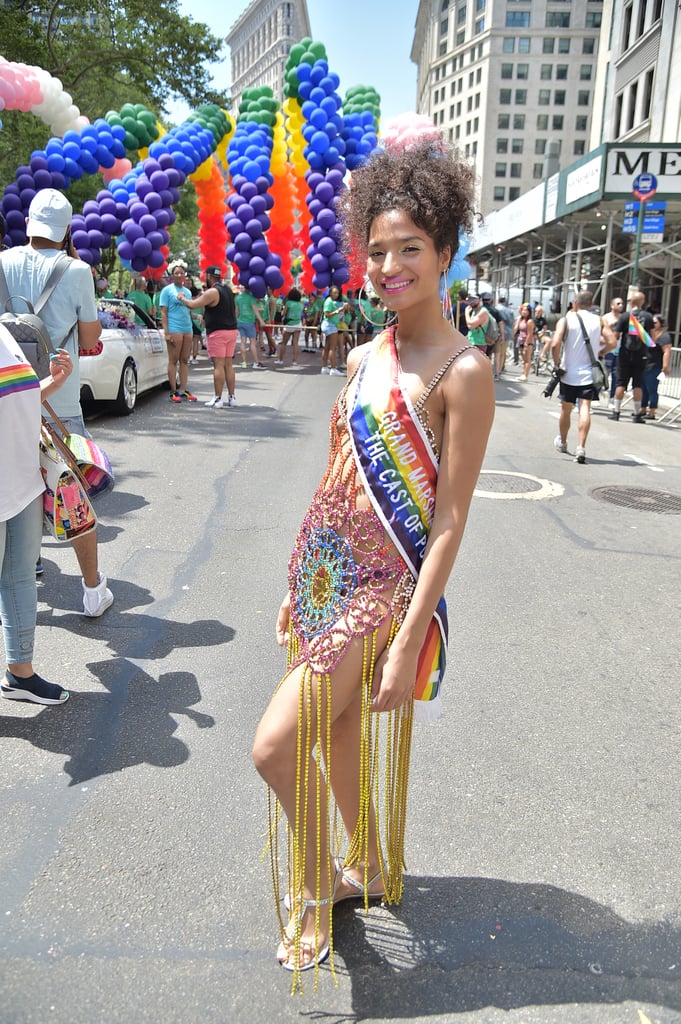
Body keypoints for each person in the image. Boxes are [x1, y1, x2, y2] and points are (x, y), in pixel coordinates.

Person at [252, 139, 494, 984]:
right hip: (330, 583)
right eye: (379, 250)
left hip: (386, 594)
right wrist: (299, 583)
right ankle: (372, 866)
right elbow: (335, 478)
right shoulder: (362, 357)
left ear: (446, 252)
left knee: (275, 746)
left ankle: (316, 888)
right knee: (343, 737)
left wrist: (407, 637)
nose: (390, 266)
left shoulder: (464, 372)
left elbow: (451, 520)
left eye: (410, 250)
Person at [0, 188, 113, 617]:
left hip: (9, 396)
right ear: (66, 228)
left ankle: (26, 565)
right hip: (58, 398)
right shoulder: (78, 270)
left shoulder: (2, 261)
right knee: (71, 493)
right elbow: (89, 339)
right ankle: (91, 590)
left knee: (10, 489)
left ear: (28, 223)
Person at [0, 323, 74, 704]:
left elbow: (17, 400)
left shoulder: (5, 333)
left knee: (20, 580)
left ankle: (20, 673)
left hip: (23, 481)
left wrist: (52, 383)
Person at [550, 290, 614, 464]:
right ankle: (581, 447)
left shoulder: (567, 320)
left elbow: (555, 343)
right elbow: (613, 342)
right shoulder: (599, 320)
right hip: (589, 373)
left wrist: (557, 364)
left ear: (575, 303)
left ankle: (563, 442)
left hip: (568, 372)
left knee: (566, 409)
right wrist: (600, 353)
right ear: (591, 304)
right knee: (584, 407)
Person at [177, 266, 238, 409]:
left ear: (209, 277)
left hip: (218, 332)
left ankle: (217, 399)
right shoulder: (228, 290)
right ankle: (232, 397)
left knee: (218, 365)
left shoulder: (212, 292)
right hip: (231, 330)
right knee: (228, 364)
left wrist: (182, 298)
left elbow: (193, 304)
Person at [609, 290, 654, 423]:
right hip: (641, 355)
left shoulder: (625, 317)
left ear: (631, 302)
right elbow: (651, 338)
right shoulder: (648, 317)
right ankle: (637, 414)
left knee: (621, 383)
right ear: (642, 302)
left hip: (624, 354)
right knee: (637, 384)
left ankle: (616, 412)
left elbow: (616, 336)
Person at [159, 260, 197, 403]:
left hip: (187, 328)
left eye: (181, 273)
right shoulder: (167, 291)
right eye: (176, 273)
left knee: (185, 360)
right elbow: (164, 313)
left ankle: (183, 389)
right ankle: (173, 391)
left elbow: (187, 310)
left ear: (185, 275)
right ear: (172, 275)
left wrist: (196, 316)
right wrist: (167, 332)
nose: (179, 275)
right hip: (174, 329)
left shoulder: (187, 291)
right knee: (173, 360)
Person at [641, 313, 673, 419]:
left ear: (661, 323)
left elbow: (667, 352)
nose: (652, 324)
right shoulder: (649, 334)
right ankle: (642, 409)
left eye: (655, 322)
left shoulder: (664, 336)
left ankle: (652, 412)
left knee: (652, 390)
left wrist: (665, 366)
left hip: (655, 366)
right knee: (643, 389)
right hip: (646, 364)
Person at [236, 285, 266, 369]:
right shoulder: (251, 298)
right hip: (249, 322)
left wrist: (235, 321)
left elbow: (237, 312)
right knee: (252, 342)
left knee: (243, 341)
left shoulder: (238, 298)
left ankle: (244, 362)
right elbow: (255, 310)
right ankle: (256, 362)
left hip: (240, 322)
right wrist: (261, 320)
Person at [319, 285, 345, 376]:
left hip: (329, 325)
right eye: (334, 293)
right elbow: (327, 314)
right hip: (330, 325)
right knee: (332, 348)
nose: (336, 295)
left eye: (337, 293)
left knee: (327, 347)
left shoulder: (329, 301)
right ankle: (333, 368)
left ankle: (324, 367)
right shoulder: (329, 302)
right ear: (330, 293)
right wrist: (338, 311)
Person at [602, 297, 624, 407]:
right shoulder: (606, 317)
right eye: (618, 303)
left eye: (622, 304)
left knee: (617, 375)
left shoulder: (623, 318)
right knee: (604, 374)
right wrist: (611, 326)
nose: (620, 305)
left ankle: (612, 398)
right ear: (612, 305)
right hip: (608, 349)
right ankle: (597, 393)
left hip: (619, 350)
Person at [275, 287, 304, 366]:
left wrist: (283, 310)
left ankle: (281, 360)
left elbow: (283, 314)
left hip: (289, 324)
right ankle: (294, 361)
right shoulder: (300, 304)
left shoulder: (288, 303)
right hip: (298, 324)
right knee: (295, 343)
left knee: (284, 343)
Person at [481, 292, 505, 378]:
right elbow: (501, 323)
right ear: (491, 300)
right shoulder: (495, 310)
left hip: (483, 335)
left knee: (485, 355)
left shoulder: (480, 310)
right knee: (497, 354)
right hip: (494, 336)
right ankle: (496, 373)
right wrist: (502, 335)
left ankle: (485, 373)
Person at [513, 303, 535, 381]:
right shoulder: (521, 319)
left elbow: (530, 333)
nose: (523, 312)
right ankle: (523, 373)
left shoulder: (530, 321)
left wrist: (526, 344)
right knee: (523, 358)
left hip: (527, 342)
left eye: (526, 310)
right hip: (521, 340)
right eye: (523, 310)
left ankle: (525, 375)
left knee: (527, 359)